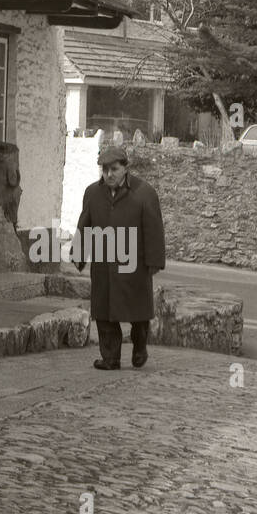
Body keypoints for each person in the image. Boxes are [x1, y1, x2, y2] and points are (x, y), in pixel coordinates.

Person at [74, 144, 166, 369]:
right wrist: (79, 253)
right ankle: (110, 358)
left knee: (138, 314)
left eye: (114, 169)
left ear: (125, 168)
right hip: (104, 264)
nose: (109, 174)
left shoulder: (144, 193)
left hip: (134, 265)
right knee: (104, 313)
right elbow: (84, 224)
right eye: (105, 170)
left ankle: (140, 347)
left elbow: (154, 229)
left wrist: (154, 262)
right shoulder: (93, 193)